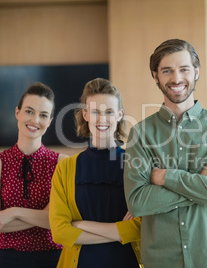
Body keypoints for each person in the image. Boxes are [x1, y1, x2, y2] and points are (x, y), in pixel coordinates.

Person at [123, 39, 207, 268]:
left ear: (196, 72)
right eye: (167, 70)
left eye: (184, 69)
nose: (176, 78)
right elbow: (138, 202)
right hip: (161, 262)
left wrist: (166, 178)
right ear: (155, 75)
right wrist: (203, 183)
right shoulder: (140, 133)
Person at [49, 78, 142, 268]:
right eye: (95, 112)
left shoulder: (136, 165)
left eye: (109, 112)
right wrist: (118, 232)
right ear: (85, 114)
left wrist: (80, 225)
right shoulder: (65, 168)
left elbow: (140, 228)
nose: (102, 119)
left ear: (119, 115)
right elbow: (59, 232)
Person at [0, 82, 64, 267]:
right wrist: (43, 217)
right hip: (9, 259)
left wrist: (12, 213)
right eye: (29, 111)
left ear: (50, 120)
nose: (35, 120)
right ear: (18, 113)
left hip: (53, 256)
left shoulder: (61, 163)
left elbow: (57, 220)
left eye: (43, 115)